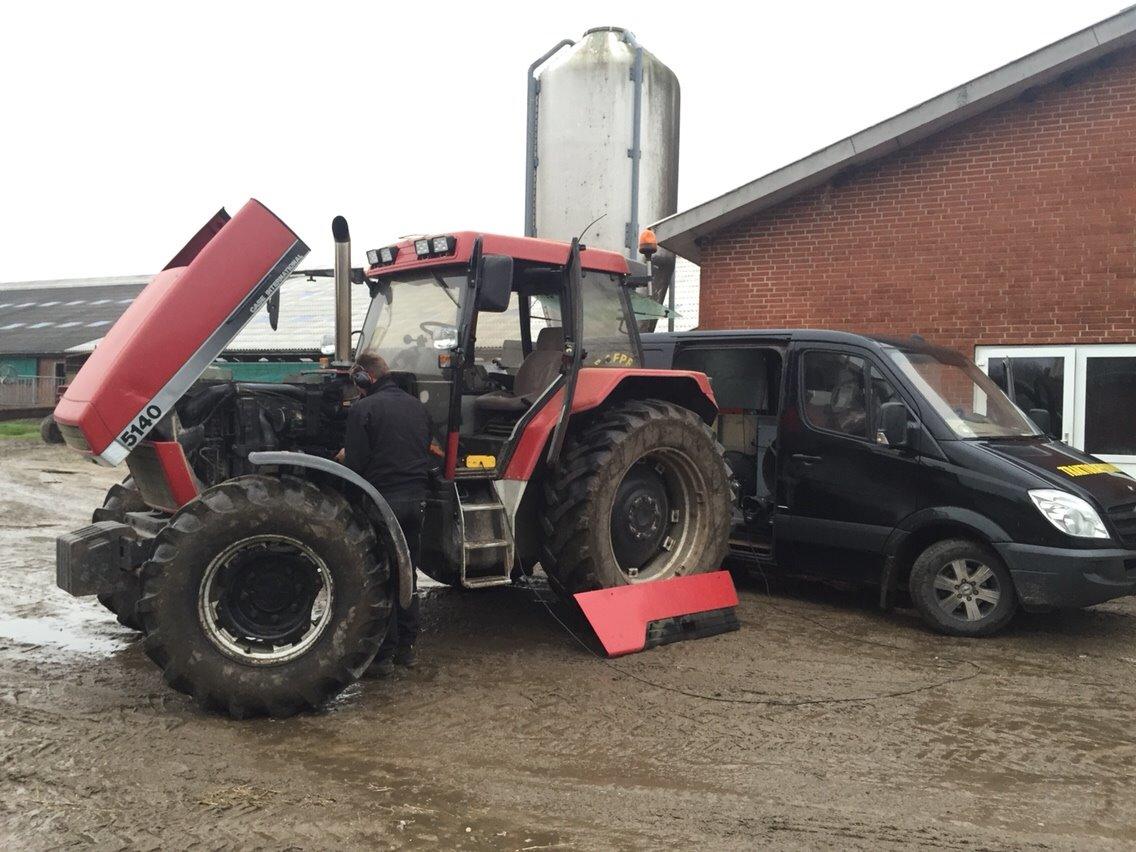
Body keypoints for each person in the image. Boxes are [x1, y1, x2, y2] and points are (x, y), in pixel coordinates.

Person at [340, 350, 432, 676]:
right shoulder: (418, 408)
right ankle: (406, 651)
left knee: (382, 578)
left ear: (366, 377)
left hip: (383, 504)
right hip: (416, 501)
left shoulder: (363, 409)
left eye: (357, 382)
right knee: (408, 576)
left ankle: (381, 658)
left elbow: (355, 467)